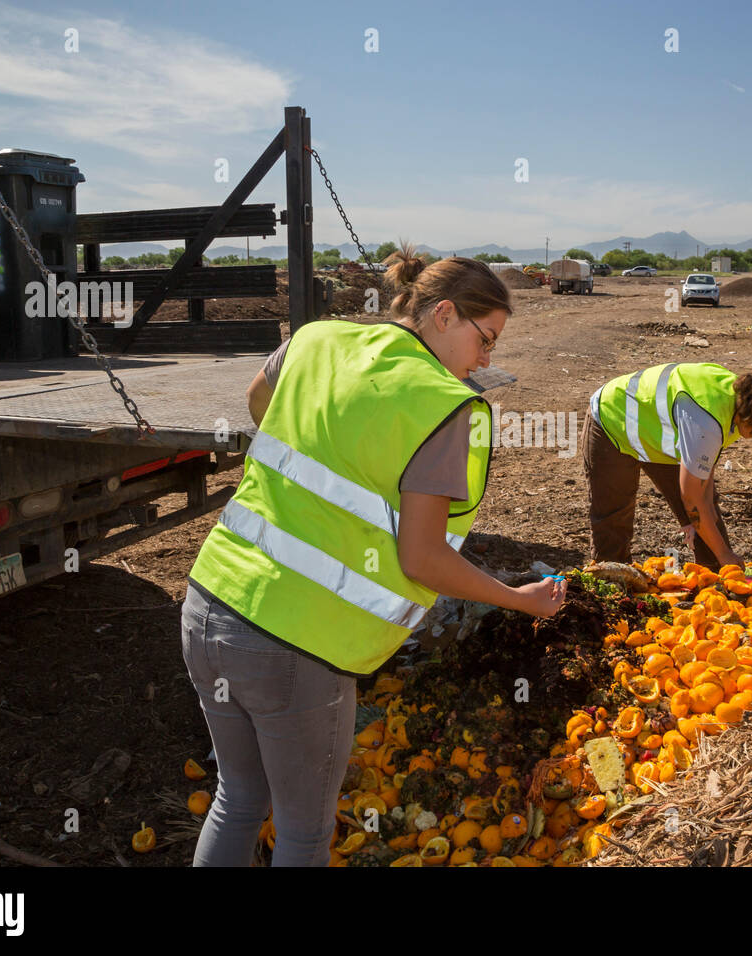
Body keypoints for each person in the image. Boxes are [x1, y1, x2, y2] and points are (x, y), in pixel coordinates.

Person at [181, 246, 566, 867]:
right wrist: (516, 598)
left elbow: (259, 402)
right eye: (486, 339)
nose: (488, 359)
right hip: (298, 646)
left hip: (210, 604)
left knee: (239, 798)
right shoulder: (440, 405)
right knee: (304, 835)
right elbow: (422, 560)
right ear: (444, 315)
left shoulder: (317, 340)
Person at [582, 364, 752, 571]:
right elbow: (692, 499)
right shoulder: (705, 420)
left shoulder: (737, 405)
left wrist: (712, 524)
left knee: (707, 514)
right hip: (612, 420)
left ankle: (714, 578)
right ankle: (613, 583)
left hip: (656, 430)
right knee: (614, 516)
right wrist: (724, 554)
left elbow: (704, 483)